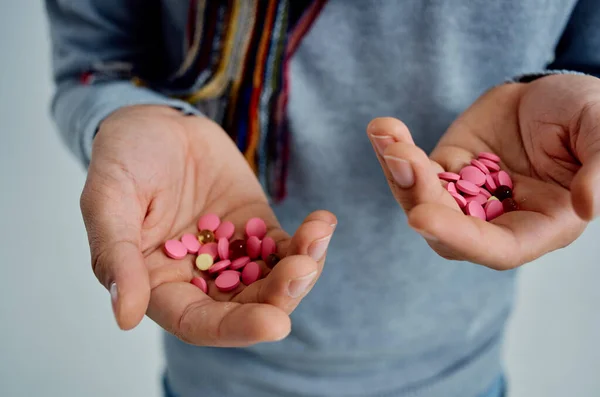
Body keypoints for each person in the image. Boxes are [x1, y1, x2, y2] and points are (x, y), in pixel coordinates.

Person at [45, 1, 600, 396]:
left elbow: (588, 54)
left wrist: (582, 89)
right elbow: (95, 62)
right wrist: (127, 115)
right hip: (215, 376)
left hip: (459, 373)